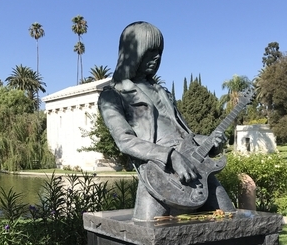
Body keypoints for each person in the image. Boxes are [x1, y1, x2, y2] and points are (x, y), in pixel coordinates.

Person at [98, 21, 235, 221]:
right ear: (132, 53)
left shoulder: (163, 92)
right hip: (157, 172)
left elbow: (185, 134)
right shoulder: (112, 95)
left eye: (159, 52)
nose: (156, 58)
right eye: (149, 52)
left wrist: (210, 142)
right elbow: (124, 141)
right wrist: (170, 156)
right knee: (146, 236)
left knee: (232, 217)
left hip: (194, 165)